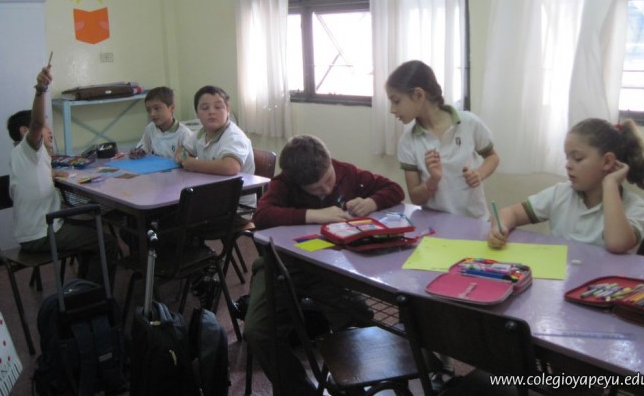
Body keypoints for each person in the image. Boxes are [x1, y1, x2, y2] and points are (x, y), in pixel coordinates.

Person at [244, 134, 405, 394]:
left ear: (330, 162)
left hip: (329, 270)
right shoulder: (284, 183)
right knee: (258, 332)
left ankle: (353, 385)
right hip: (282, 265)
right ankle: (299, 390)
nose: (327, 190)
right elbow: (261, 215)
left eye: (328, 180)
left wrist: (371, 202)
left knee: (357, 320)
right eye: (317, 189)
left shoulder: (346, 173)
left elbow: (394, 189)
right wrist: (313, 215)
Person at [8, 64, 118, 287]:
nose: (49, 130)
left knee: (90, 227)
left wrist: (54, 172)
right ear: (25, 131)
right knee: (106, 243)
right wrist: (41, 90)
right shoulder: (28, 149)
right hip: (41, 233)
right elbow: (37, 122)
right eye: (45, 126)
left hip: (37, 228)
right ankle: (92, 297)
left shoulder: (24, 155)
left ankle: (83, 286)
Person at [488, 118, 644, 254]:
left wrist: (610, 184)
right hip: (563, 280)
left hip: (605, 285)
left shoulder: (635, 207)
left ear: (607, 162)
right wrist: (499, 227)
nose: (568, 165)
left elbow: (616, 244)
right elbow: (510, 213)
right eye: (567, 158)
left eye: (577, 158)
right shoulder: (560, 193)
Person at [386, 60, 499, 221]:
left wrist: (479, 174)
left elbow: (492, 157)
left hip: (475, 221)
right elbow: (416, 198)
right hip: (435, 226)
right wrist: (433, 181)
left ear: (418, 95)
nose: (392, 109)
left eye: (396, 101)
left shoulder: (469, 122)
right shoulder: (407, 141)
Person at [176, 85, 255, 212]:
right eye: (205, 108)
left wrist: (193, 164)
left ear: (228, 110)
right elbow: (182, 150)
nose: (211, 112)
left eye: (218, 107)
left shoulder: (234, 136)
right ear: (197, 113)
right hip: (212, 197)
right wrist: (183, 157)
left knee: (177, 216)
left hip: (237, 207)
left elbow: (230, 167)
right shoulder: (201, 133)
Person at [128, 86, 193, 159]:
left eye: (157, 108)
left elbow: (188, 159)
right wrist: (139, 151)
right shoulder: (150, 128)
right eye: (148, 110)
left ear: (172, 108)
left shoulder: (184, 134)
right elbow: (144, 146)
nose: (152, 114)